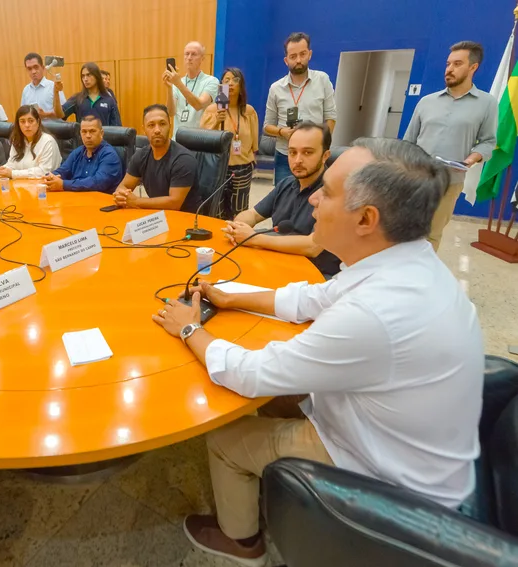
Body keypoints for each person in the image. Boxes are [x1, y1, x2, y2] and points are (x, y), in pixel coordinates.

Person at [153, 138, 481, 566]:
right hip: (398, 435)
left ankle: (241, 542)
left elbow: (250, 373)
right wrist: (231, 297)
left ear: (366, 218)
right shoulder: (405, 262)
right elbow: (312, 298)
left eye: (326, 191)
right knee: (272, 394)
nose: (313, 200)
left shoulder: (374, 313)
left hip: (392, 479)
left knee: (225, 436)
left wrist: (189, 328)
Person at [404, 41, 497, 251]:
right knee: (403, 230)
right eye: (448, 64)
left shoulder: (487, 104)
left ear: (473, 67)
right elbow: (408, 141)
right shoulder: (426, 102)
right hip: (415, 179)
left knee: (431, 235)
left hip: (450, 182)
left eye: (457, 64)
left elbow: (489, 142)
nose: (449, 69)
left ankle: (423, 271)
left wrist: (471, 160)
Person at [225, 122, 341, 278]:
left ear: (325, 156)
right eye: (292, 152)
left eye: (307, 153)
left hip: (313, 277)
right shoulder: (286, 184)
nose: (297, 160)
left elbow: (313, 246)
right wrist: (238, 227)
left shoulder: (335, 192)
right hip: (277, 264)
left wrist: (254, 238)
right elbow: (253, 214)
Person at [264, 32, 338, 184]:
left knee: (313, 196)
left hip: (313, 154)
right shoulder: (275, 88)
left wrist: (323, 146)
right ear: (286, 60)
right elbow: (267, 126)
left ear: (309, 54)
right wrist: (282, 132)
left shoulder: (322, 80)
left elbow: (330, 117)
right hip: (285, 154)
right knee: (283, 195)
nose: (298, 60)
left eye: (302, 54)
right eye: (293, 56)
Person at [113, 104, 198, 211]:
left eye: (162, 124)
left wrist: (136, 201)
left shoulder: (183, 159)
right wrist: (122, 196)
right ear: (144, 129)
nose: (157, 130)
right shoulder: (141, 155)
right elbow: (123, 186)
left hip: (186, 217)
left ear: (170, 126)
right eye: (151, 125)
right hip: (158, 215)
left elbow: (174, 203)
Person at [200, 67, 259, 218]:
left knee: (240, 210)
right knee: (217, 210)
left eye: (235, 80)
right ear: (221, 85)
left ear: (241, 86)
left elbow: (254, 142)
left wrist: (252, 160)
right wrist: (215, 121)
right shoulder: (212, 110)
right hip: (218, 167)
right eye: (226, 80)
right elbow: (203, 139)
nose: (230, 83)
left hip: (242, 168)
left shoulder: (249, 111)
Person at [44, 115, 123, 194]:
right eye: (84, 132)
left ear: (101, 133)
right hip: (76, 198)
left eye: (92, 131)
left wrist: (63, 185)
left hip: (100, 200)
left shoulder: (109, 155)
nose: (88, 136)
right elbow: (62, 171)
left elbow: (97, 183)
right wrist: (50, 177)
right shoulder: (77, 152)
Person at [163, 41, 219, 138]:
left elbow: (199, 105)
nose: (189, 58)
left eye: (194, 54)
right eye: (187, 54)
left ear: (202, 58)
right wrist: (169, 88)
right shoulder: (178, 82)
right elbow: (170, 112)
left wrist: (178, 84)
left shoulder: (211, 81)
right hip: (178, 139)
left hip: (199, 139)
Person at [0, 105, 62, 179]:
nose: (27, 125)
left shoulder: (48, 141)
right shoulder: (17, 140)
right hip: (21, 184)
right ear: (18, 124)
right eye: (22, 121)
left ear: (38, 122)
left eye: (31, 121)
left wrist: (13, 174)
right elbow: (12, 164)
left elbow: (44, 172)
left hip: (44, 184)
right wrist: (5, 169)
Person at [55, 62, 121, 126]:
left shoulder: (109, 100)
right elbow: (60, 115)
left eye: (88, 75)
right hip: (82, 134)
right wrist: (56, 92)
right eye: (83, 76)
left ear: (97, 76)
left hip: (103, 134)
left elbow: (117, 128)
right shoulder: (77, 98)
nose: (85, 79)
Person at [20, 52, 65, 118]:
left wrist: (46, 114)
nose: (33, 72)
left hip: (52, 124)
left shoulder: (53, 86)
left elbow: (64, 113)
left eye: (36, 67)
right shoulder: (26, 90)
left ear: (43, 68)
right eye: (29, 69)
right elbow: (23, 114)